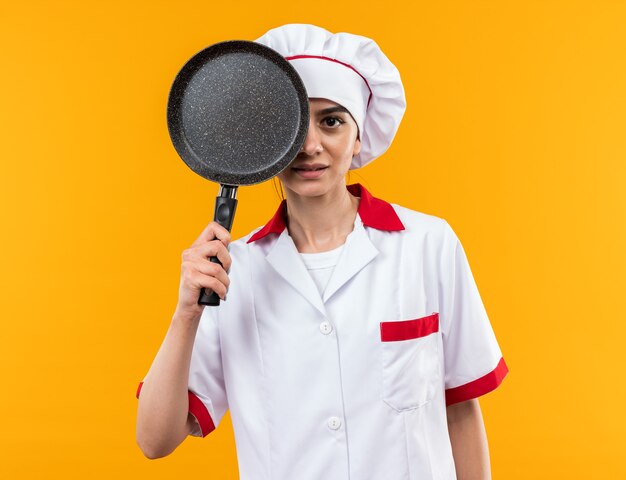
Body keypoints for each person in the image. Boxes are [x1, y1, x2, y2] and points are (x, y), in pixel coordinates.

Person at [135, 23, 508, 480]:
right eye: (290, 126)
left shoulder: (428, 245)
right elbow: (155, 440)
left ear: (358, 138)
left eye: (332, 121)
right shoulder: (235, 272)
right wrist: (185, 314)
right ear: (265, 141)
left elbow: (460, 410)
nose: (310, 145)